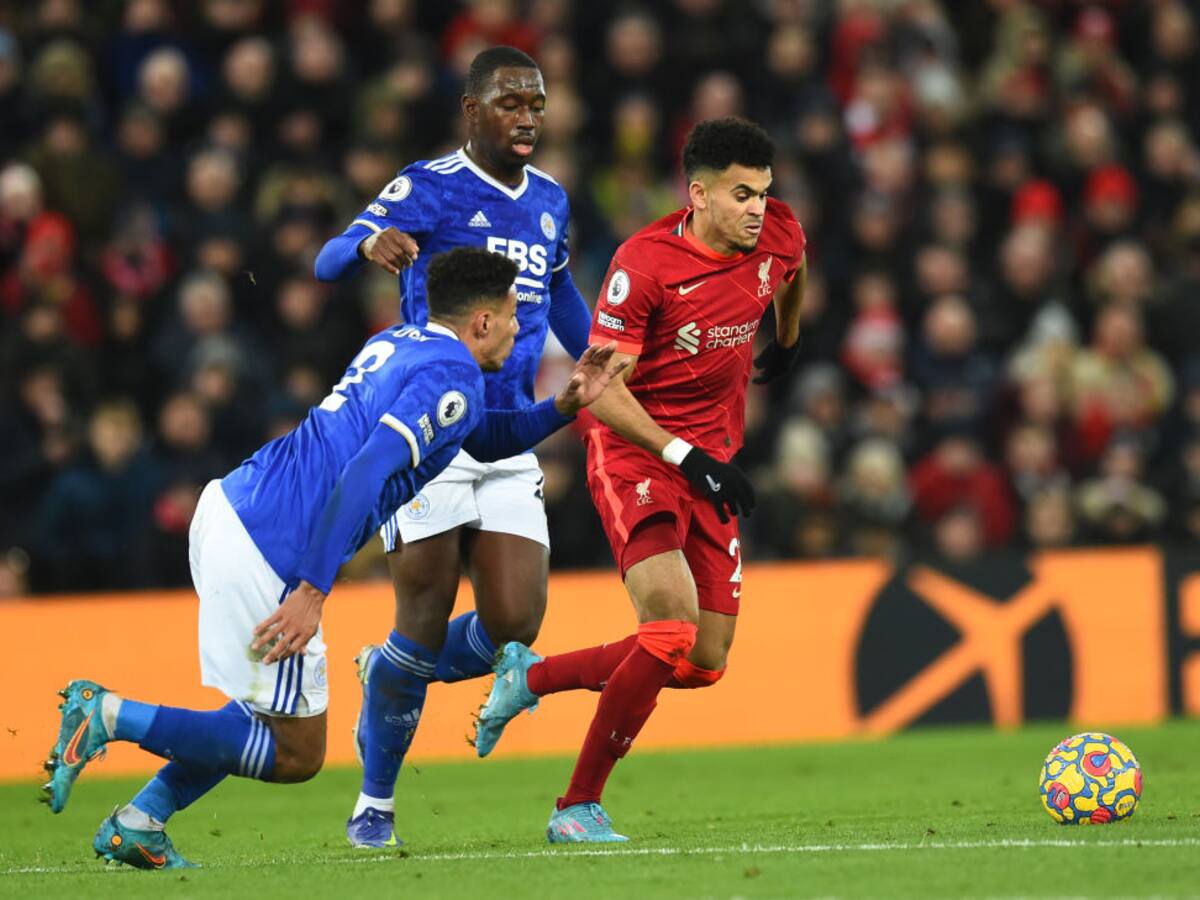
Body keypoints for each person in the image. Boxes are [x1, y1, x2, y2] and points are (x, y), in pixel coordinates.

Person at [40, 248, 625, 868]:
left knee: (262, 715)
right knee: (296, 753)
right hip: (274, 545)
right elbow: (364, 472)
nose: (520, 327)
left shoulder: (408, 344)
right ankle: (108, 714)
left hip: (235, 508)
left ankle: (140, 821)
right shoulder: (449, 374)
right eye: (513, 315)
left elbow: (477, 438)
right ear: (481, 321)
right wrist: (313, 590)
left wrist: (564, 405)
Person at [474, 117, 807, 841]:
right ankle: (575, 808)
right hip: (638, 454)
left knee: (703, 662)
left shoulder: (777, 232)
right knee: (667, 628)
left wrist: (785, 338)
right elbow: (600, 389)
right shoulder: (646, 265)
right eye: (742, 194)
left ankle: (527, 679)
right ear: (698, 195)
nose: (758, 208)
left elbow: (792, 267)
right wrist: (685, 457)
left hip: (711, 462)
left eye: (764, 194)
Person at [312, 45, 594, 847]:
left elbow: (562, 289)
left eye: (537, 103)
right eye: (511, 103)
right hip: (431, 426)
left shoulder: (549, 200)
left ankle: (390, 673)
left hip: (507, 432)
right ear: (473, 112)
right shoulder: (427, 186)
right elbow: (326, 258)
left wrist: (593, 350)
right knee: (425, 616)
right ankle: (375, 801)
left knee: (516, 623)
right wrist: (366, 245)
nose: (529, 117)